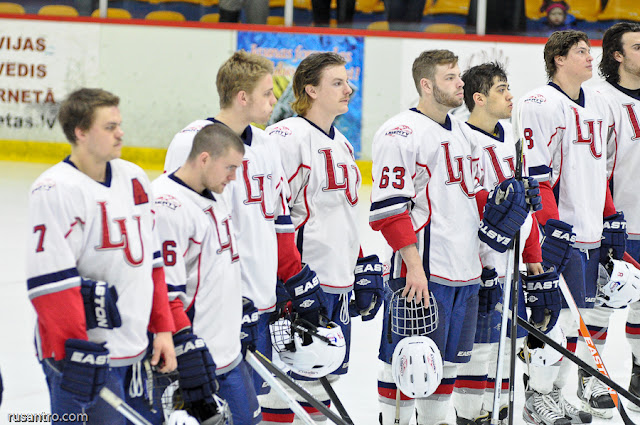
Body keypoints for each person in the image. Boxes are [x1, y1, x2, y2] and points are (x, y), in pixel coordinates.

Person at [164, 51, 330, 422]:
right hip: (212, 307)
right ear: (242, 97)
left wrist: (294, 278)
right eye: (268, 94)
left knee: (248, 409)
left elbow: (279, 220)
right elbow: (179, 228)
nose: (276, 102)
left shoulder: (267, 144)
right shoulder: (191, 142)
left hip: (259, 302)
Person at [369, 50, 532, 425]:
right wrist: (412, 268)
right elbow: (391, 211)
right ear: (426, 85)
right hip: (423, 271)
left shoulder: (462, 131)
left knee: (445, 364)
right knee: (408, 359)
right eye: (450, 77)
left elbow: (475, 197)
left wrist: (506, 209)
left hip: (466, 272)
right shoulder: (401, 132)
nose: (460, 83)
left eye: (460, 77)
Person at [26, 88, 177, 424]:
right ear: (80, 132)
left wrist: (162, 329)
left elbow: (152, 263)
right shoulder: (54, 190)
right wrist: (77, 353)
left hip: (138, 351)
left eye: (119, 124)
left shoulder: (134, 177)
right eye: (109, 127)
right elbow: (50, 283)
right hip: (87, 356)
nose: (120, 133)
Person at [264, 51, 383, 424]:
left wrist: (361, 263)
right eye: (337, 83)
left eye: (347, 82)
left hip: (337, 283)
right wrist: (293, 280)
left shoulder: (344, 145)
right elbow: (274, 219)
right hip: (302, 282)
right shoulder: (285, 138)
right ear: (310, 89)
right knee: (287, 381)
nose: (349, 89)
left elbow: (342, 215)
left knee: (325, 375)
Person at [518, 30, 623, 423]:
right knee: (553, 324)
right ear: (559, 59)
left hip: (590, 234)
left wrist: (610, 216)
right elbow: (537, 176)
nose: (589, 58)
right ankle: (535, 398)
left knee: (574, 327)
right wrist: (550, 228)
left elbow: (600, 171)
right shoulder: (539, 103)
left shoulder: (596, 101)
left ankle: (556, 395)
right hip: (558, 237)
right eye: (581, 52)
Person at [452, 62, 562, 425]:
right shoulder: (461, 143)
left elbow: (525, 210)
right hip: (480, 267)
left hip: (511, 265)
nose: (510, 95)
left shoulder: (512, 142)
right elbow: (464, 212)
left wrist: (533, 260)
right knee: (480, 351)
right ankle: (470, 416)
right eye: (501, 89)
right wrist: (480, 267)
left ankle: (497, 413)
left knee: (504, 349)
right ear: (479, 98)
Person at [153, 123, 259, 424]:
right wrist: (185, 348)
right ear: (204, 158)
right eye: (229, 167)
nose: (233, 176)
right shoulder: (166, 206)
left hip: (227, 352)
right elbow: (164, 292)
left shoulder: (214, 191)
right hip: (192, 360)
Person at [594, 21, 640, 412]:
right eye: (638, 47)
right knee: (598, 305)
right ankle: (588, 376)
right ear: (617, 55)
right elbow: (594, 168)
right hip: (617, 223)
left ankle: (638, 373)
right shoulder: (599, 99)